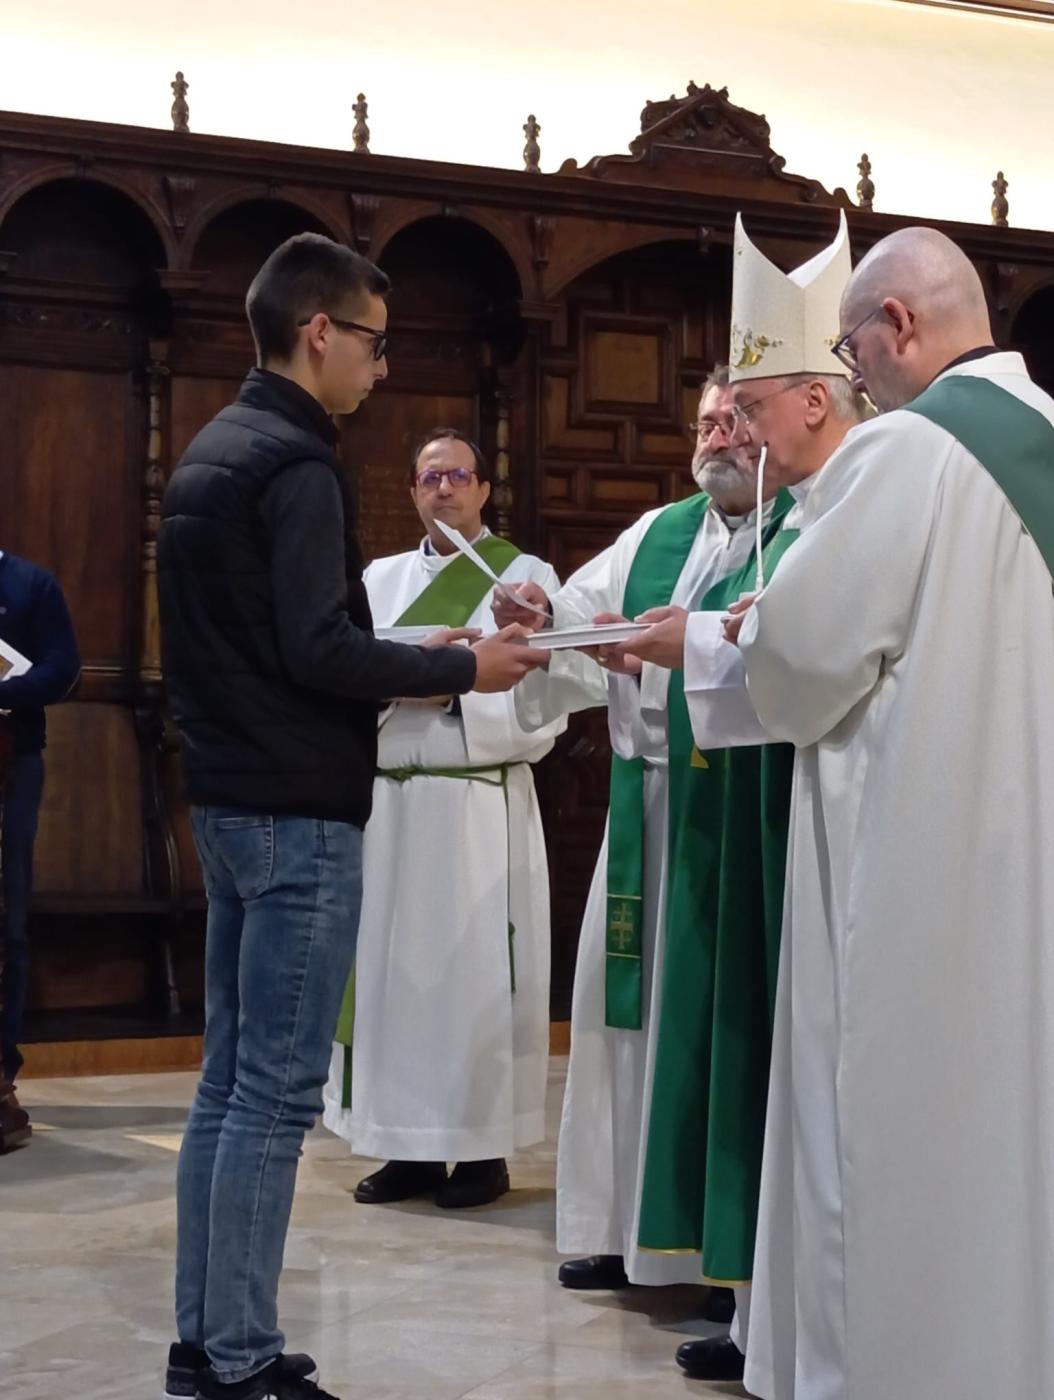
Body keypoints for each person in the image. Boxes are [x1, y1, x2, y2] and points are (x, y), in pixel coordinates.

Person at [157, 232, 543, 1400]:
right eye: (374, 342)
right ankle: (240, 1357)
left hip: (229, 797)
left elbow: (268, 642)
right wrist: (460, 671)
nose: (381, 366)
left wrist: (406, 648)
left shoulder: (213, 450)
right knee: (275, 1095)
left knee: (226, 1084)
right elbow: (316, 650)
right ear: (318, 331)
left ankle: (200, 1338)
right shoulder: (299, 462)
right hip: (297, 816)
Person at [724, 226, 1054, 1400]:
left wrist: (752, 621)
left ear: (898, 326)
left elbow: (805, 653)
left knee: (903, 1132)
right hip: (1033, 872)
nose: (859, 381)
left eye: (856, 355)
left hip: (918, 866)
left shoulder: (907, 452)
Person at [608, 213, 867, 1383]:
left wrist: (696, 639)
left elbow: (810, 638)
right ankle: (764, 1304)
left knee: (805, 1063)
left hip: (833, 826)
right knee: (766, 1056)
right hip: (771, 813)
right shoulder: (797, 507)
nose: (733, 431)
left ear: (814, 398)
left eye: (749, 408)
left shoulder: (860, 491)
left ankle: (793, 1314)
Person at [495, 364, 775, 1306]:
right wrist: (541, 617)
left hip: (731, 820)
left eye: (738, 419)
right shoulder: (658, 531)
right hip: (640, 810)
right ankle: (619, 1231)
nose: (718, 437)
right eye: (706, 421)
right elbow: (582, 612)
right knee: (621, 1025)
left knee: (708, 1027)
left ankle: (706, 1252)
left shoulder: (802, 529)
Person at [322, 428, 564, 1209]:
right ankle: (406, 1148)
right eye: (429, 477)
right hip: (389, 807)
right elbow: (343, 675)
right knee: (396, 984)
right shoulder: (378, 579)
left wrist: (455, 688)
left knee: (474, 984)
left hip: (474, 805)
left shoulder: (523, 577)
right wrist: (404, 684)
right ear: (413, 491)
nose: (444, 490)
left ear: (484, 489)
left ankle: (482, 1151)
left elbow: (546, 694)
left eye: (459, 475)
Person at [0, 549, 80, 1153]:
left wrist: (7, 692)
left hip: (11, 763)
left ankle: (1, 1076)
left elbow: (63, 669)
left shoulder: (29, 583)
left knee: (7, 920)